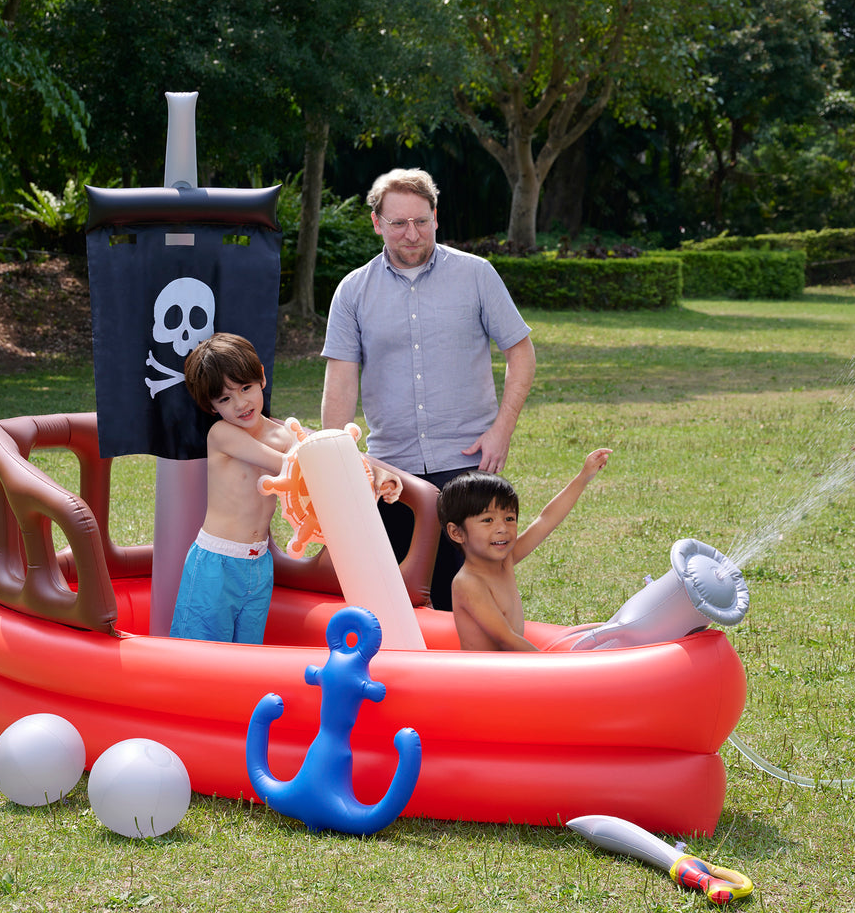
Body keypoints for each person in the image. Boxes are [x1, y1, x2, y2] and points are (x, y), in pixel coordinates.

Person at [321, 168, 536, 610]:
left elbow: (522, 353)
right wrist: (337, 466)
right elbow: (340, 382)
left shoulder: (477, 275)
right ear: (377, 223)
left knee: (478, 598)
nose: (411, 233)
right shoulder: (352, 291)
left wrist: (502, 430)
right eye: (398, 223)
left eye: (421, 221)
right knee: (400, 604)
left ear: (436, 217)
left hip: (468, 463)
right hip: (390, 474)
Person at [171, 332, 401, 644]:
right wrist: (335, 465)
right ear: (211, 407)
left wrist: (376, 472)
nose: (240, 403)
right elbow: (293, 465)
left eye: (246, 388)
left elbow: (330, 451)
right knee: (199, 653)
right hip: (216, 562)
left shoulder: (283, 433)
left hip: (258, 565)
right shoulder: (222, 434)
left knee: (247, 654)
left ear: (262, 378)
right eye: (225, 399)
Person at [437, 449, 612, 652]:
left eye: (509, 518)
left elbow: (546, 520)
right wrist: (555, 667)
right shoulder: (468, 583)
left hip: (512, 669)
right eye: (488, 520)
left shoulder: (506, 560)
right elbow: (506, 639)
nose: (502, 528)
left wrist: (583, 477)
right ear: (457, 533)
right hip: (485, 677)